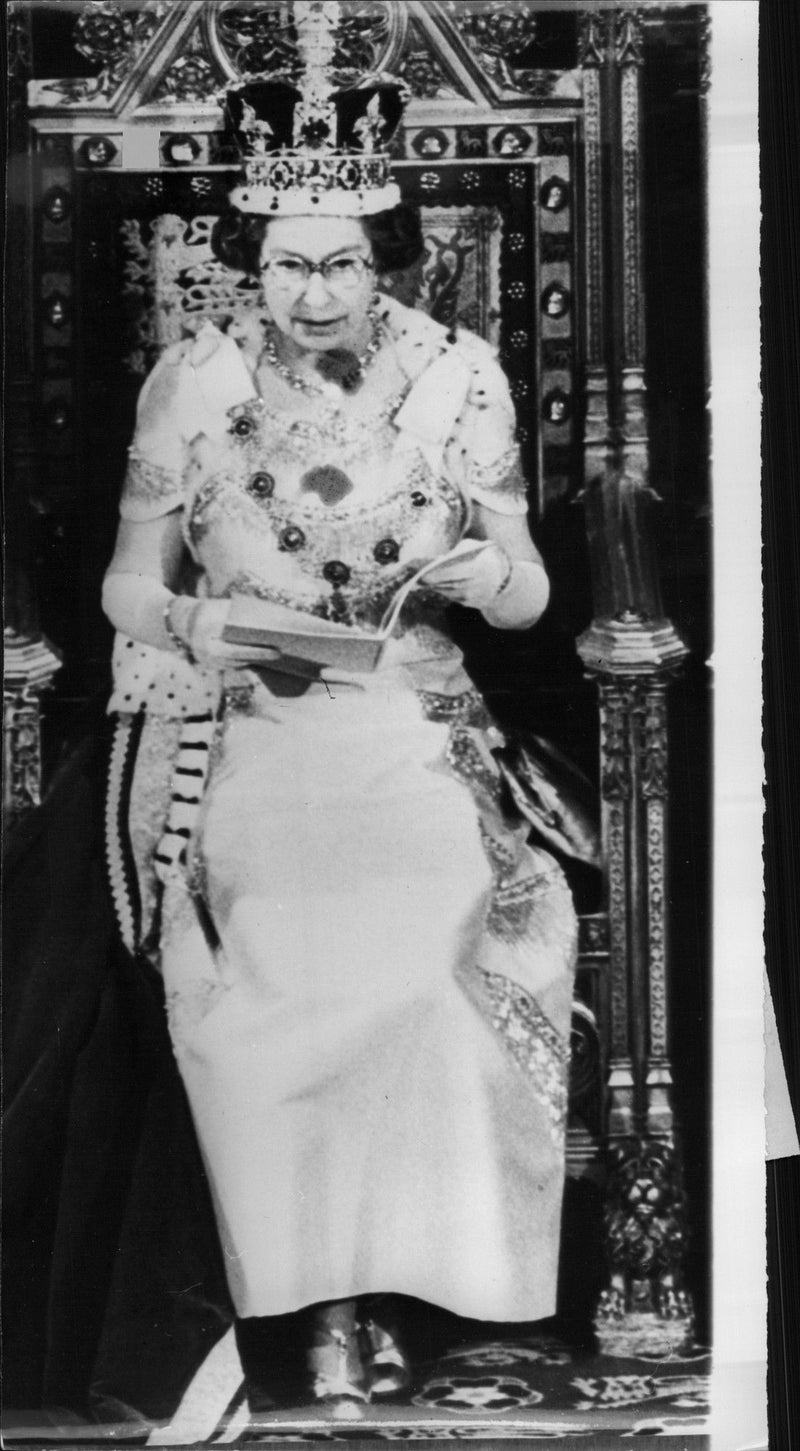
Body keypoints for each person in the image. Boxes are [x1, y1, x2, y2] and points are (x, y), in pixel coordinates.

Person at [101, 42, 578, 1421]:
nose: (312, 291)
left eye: (343, 263)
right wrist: (208, 629)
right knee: (278, 974)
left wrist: (476, 577)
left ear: (390, 260)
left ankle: (443, 1294)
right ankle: (318, 1311)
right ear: (252, 256)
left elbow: (531, 589)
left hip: (409, 721)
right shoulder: (192, 380)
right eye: (288, 262)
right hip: (249, 725)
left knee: (436, 958)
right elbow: (131, 589)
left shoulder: (458, 378)